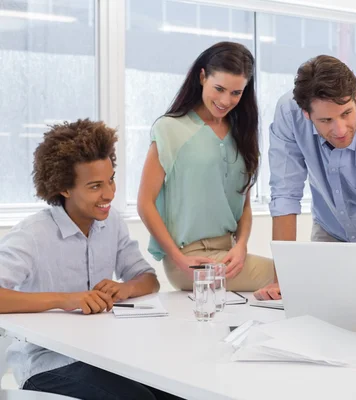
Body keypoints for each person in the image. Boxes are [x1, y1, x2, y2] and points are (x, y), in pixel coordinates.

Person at [0, 120, 178, 399]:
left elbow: (148, 279)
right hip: (47, 363)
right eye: (95, 186)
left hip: (102, 355)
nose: (109, 193)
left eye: (111, 179)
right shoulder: (32, 235)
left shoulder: (112, 223)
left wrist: (126, 288)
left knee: (176, 392)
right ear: (64, 188)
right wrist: (65, 299)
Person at [254, 55, 356, 300]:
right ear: (306, 113)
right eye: (326, 120)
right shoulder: (289, 116)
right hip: (330, 225)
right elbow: (285, 195)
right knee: (323, 311)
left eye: (346, 113)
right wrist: (281, 281)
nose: (340, 130)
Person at [138, 41, 274, 292]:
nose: (226, 100)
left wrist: (241, 246)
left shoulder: (241, 134)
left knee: (291, 277)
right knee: (291, 275)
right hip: (189, 259)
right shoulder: (170, 129)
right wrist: (180, 261)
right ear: (202, 77)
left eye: (236, 93)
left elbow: (243, 204)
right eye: (219, 88)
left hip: (229, 253)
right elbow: (145, 203)